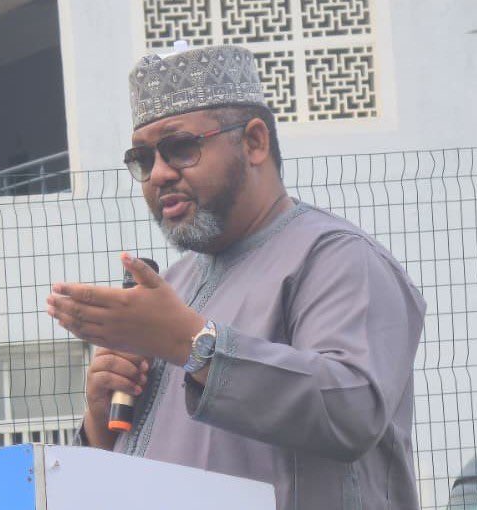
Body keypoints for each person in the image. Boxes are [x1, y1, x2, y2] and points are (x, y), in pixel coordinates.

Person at [46, 44, 426, 509]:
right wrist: (99, 424)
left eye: (180, 148)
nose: (158, 174)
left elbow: (352, 412)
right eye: (143, 159)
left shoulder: (338, 259)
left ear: (254, 142)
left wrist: (193, 344)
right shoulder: (175, 286)